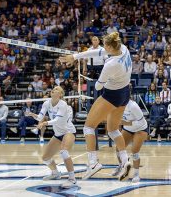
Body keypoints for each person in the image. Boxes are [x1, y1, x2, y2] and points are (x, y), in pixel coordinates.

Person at [60, 32, 132, 181]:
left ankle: (93, 163)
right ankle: (125, 160)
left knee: (88, 127)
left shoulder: (110, 64)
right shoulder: (123, 48)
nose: (102, 47)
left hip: (112, 94)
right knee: (113, 130)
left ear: (110, 47)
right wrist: (75, 57)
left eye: (104, 45)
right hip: (125, 92)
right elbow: (98, 51)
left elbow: (98, 86)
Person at [27, 86, 77, 188]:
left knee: (64, 151)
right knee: (45, 158)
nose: (53, 90)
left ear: (60, 94)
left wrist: (45, 123)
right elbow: (40, 117)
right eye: (53, 89)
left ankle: (72, 179)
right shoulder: (47, 103)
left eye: (56, 90)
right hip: (58, 134)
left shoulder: (63, 105)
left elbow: (57, 120)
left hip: (68, 131)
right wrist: (33, 115)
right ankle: (55, 173)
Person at [111, 99, 148, 183]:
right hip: (127, 129)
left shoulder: (133, 106)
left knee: (134, 151)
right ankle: (121, 166)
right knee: (118, 148)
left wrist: (125, 123)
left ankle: (136, 174)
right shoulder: (117, 103)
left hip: (140, 129)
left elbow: (141, 122)